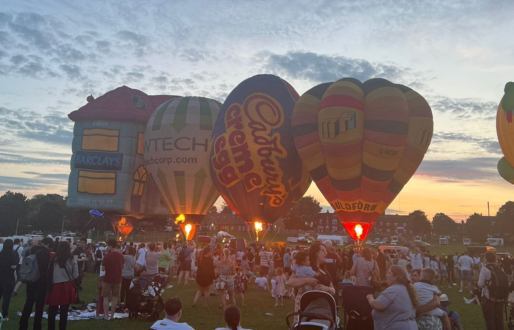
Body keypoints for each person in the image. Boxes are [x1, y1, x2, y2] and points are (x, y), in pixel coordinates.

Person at [288, 243, 336, 325]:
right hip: (305, 307)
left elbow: (333, 290)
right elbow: (291, 282)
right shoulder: (304, 267)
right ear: (316, 252)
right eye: (323, 250)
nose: (326, 253)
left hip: (321, 308)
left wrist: (326, 289)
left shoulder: (324, 271)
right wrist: (307, 280)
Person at [367, 265, 418, 330]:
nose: (386, 275)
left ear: (396, 276)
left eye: (389, 273)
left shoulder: (394, 290)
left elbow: (377, 305)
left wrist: (370, 298)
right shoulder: (406, 290)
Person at [19, 236, 53, 330]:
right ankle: (37, 327)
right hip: (41, 283)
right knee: (39, 307)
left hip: (30, 280)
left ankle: (22, 325)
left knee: (28, 304)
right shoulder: (45, 253)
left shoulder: (30, 250)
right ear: (47, 245)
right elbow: (46, 270)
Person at [45, 241, 78, 330]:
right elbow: (75, 275)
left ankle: (51, 328)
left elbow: (49, 273)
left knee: (52, 310)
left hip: (55, 286)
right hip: (67, 286)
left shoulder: (54, 259)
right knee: (64, 311)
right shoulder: (72, 259)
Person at [478, 251, 505, 330]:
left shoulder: (485, 269)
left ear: (486, 259)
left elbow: (480, 284)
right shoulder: (500, 268)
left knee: (490, 319)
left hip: (488, 297)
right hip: (500, 296)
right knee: (499, 319)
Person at [101, 239, 124, 320]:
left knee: (106, 298)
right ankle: (112, 316)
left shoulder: (107, 256)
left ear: (110, 246)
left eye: (108, 246)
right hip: (117, 279)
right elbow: (122, 266)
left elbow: (103, 268)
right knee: (115, 298)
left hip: (107, 279)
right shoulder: (121, 255)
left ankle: (106, 315)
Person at [0, 239, 18, 320]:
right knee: (6, 298)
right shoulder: (12, 254)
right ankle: (4, 315)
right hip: (9, 277)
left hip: (0, 276)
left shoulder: (1, 253)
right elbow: (13, 266)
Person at [72, 238, 88, 304]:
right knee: (76, 284)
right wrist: (83, 260)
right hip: (76, 268)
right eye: (80, 242)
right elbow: (74, 259)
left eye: (83, 242)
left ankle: (75, 297)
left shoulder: (85, 251)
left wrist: (83, 268)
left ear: (85, 244)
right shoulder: (76, 250)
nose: (81, 244)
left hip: (81, 268)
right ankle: (75, 298)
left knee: (79, 283)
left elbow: (85, 259)